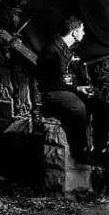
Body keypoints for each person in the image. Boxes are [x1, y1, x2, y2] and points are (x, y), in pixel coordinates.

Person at [36, 15, 92, 164]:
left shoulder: (67, 49)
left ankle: (97, 149)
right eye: (82, 30)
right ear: (74, 32)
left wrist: (80, 86)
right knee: (78, 107)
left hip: (66, 89)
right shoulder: (51, 49)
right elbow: (51, 81)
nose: (84, 33)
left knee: (96, 103)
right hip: (52, 92)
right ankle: (80, 151)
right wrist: (77, 88)